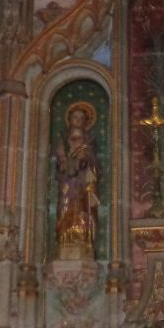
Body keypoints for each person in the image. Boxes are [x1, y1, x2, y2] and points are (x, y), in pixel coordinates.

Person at [55, 102, 100, 257]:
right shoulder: (63, 140)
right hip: (67, 182)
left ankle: (84, 240)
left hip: (82, 182)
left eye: (81, 118)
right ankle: (64, 239)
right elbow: (59, 162)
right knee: (65, 207)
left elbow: (94, 164)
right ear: (70, 120)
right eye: (75, 117)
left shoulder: (89, 141)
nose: (78, 120)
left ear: (86, 122)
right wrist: (63, 162)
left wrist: (85, 159)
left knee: (83, 209)